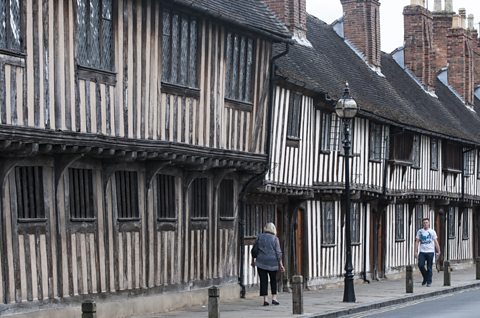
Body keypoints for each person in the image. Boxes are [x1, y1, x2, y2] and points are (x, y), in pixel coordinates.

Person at [251, 222, 285, 306]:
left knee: (263, 281)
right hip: (273, 262)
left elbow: (254, 250)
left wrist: (253, 261)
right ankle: (274, 298)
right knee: (273, 280)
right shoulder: (275, 239)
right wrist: (281, 264)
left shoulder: (259, 237)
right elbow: (278, 252)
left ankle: (265, 299)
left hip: (261, 261)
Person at [414, 217, 440, 287]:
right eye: (424, 222)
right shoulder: (420, 231)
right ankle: (425, 277)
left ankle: (429, 282)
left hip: (430, 251)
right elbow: (417, 242)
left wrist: (438, 251)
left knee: (429, 267)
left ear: (429, 223)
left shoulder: (432, 232)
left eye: (426, 222)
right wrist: (415, 251)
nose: (425, 224)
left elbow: (436, 242)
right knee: (420, 265)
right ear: (423, 223)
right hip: (422, 251)